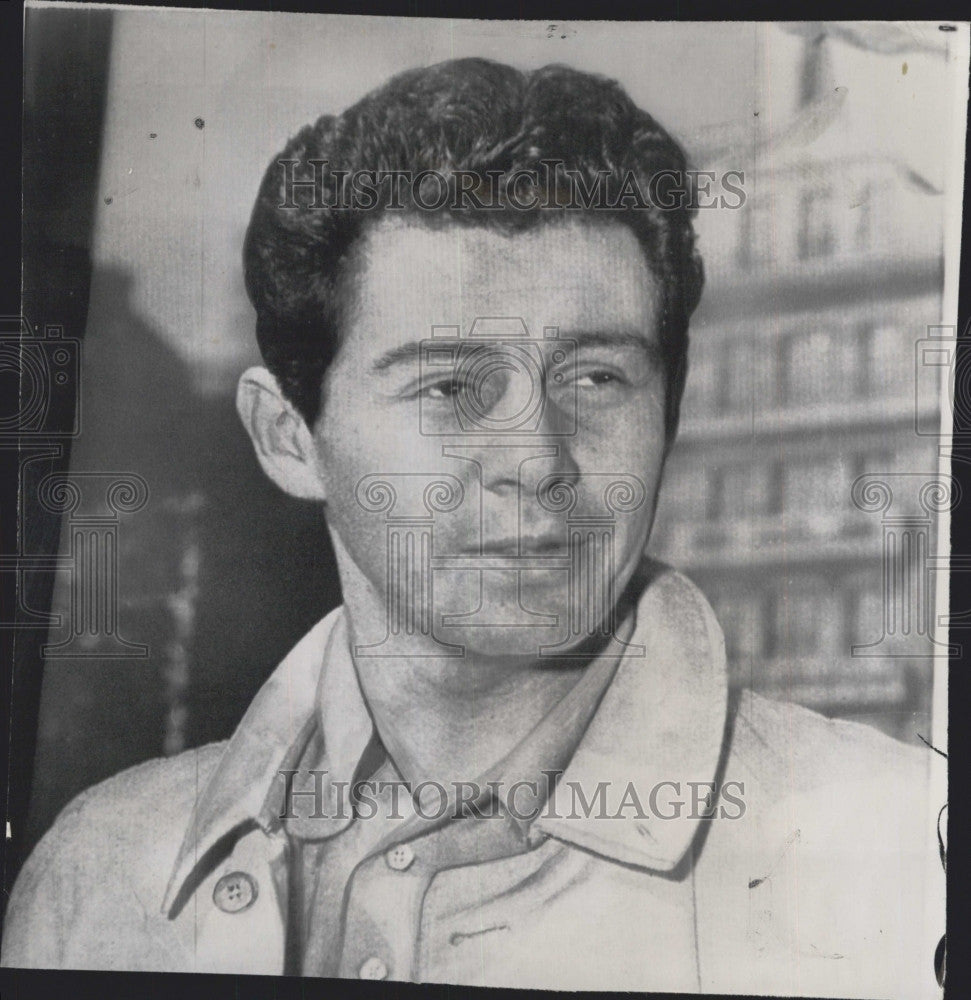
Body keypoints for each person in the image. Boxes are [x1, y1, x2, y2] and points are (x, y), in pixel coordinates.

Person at [2, 58, 944, 996]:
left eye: (595, 378)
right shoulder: (99, 874)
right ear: (290, 438)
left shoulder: (894, 848)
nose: (537, 457)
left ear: (669, 415)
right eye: (450, 386)